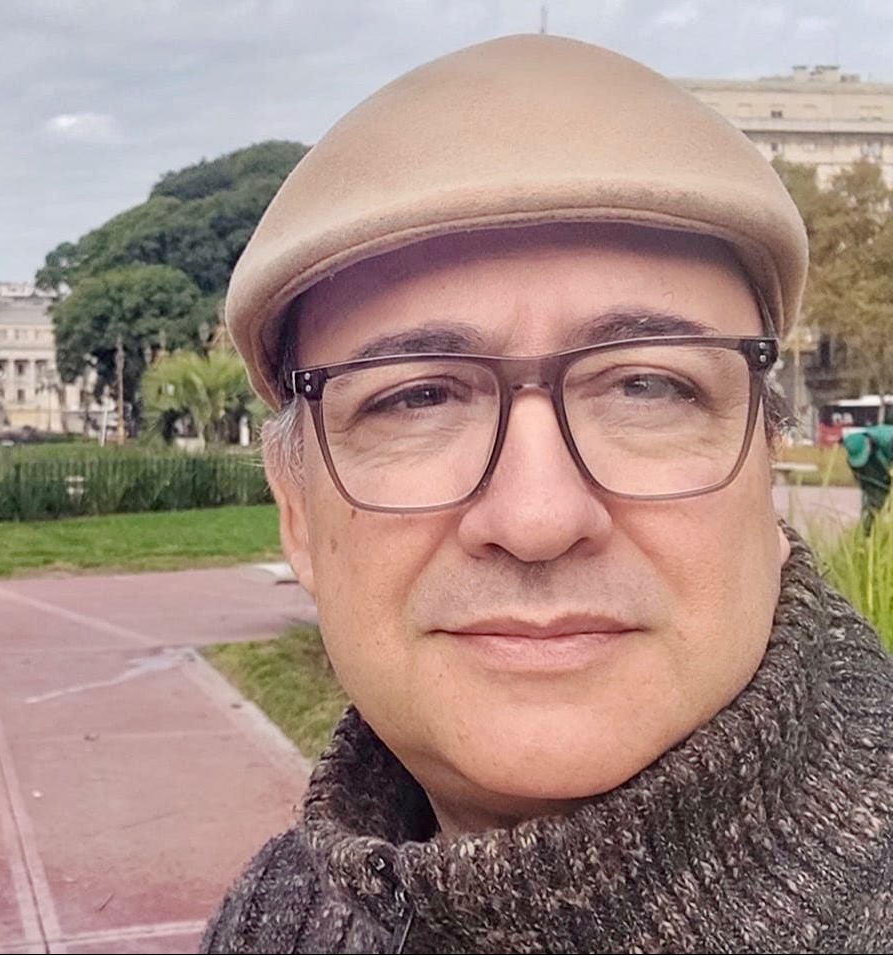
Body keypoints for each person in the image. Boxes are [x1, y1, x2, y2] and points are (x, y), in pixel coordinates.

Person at [201, 35, 893, 954]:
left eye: (646, 386)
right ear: (297, 514)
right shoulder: (272, 919)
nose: (537, 518)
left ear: (765, 470)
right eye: (417, 397)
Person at [842, 423, 893, 532]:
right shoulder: (855, 459)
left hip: (887, 458)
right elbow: (866, 487)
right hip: (880, 469)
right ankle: (868, 531)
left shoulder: (887, 439)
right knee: (873, 504)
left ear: (867, 442)